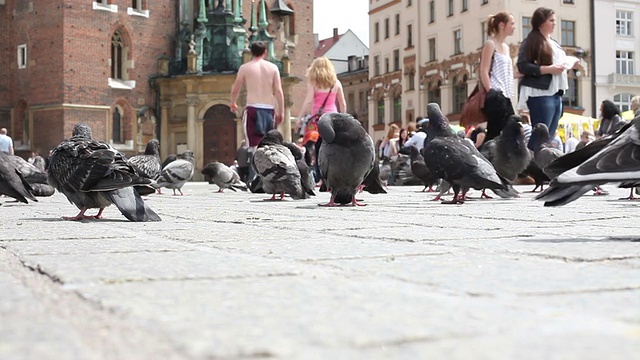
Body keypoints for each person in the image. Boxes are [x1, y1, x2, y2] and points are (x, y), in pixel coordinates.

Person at [517, 7, 579, 151]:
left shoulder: (553, 42)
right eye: (551, 20)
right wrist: (548, 69)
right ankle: (530, 166)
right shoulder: (531, 41)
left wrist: (569, 64)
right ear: (541, 23)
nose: (554, 23)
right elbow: (522, 66)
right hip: (541, 93)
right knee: (540, 135)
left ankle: (538, 167)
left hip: (556, 92)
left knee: (548, 137)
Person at [230, 41, 284, 151]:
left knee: (253, 144)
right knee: (270, 143)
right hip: (269, 109)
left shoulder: (245, 68)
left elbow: (236, 88)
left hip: (252, 108)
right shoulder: (273, 68)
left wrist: (232, 102)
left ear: (251, 52)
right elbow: (278, 91)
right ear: (265, 52)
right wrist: (281, 112)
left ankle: (254, 166)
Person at [296, 56, 346, 157]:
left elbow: (308, 101)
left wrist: (299, 118)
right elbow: (342, 104)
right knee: (332, 145)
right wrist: (343, 120)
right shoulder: (336, 83)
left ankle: (319, 170)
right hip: (333, 119)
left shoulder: (314, 83)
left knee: (318, 147)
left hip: (318, 120)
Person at [480, 11, 517, 141]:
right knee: (497, 132)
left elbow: (509, 73)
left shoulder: (506, 47)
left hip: (506, 95)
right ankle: (488, 157)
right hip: (496, 94)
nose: (514, 26)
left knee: (507, 131)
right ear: (502, 25)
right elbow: (484, 70)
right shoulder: (491, 44)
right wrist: (491, 91)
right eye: (511, 23)